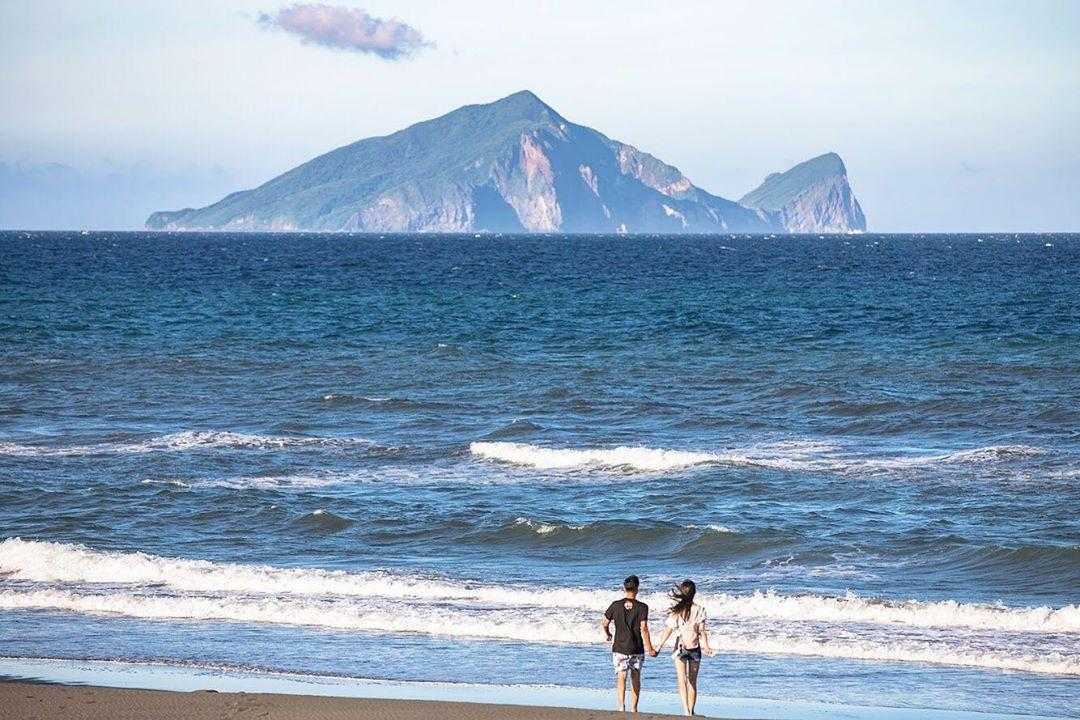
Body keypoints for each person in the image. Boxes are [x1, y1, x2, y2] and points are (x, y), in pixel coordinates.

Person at [651, 579, 714, 716]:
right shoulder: (700, 609)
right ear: (694, 593)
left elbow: (668, 630)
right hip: (695, 647)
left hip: (680, 648)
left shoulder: (677, 611)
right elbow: (701, 631)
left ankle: (685, 710)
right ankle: (691, 711)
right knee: (692, 680)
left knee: (682, 679)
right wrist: (706, 646)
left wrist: (659, 646)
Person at [601, 574, 656, 713]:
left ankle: (621, 706)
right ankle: (634, 708)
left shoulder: (615, 605)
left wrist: (608, 634)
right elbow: (643, 628)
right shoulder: (643, 607)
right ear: (637, 588)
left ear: (624, 588)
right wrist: (650, 648)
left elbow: (604, 623)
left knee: (621, 677)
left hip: (619, 647)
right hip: (637, 647)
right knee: (635, 677)